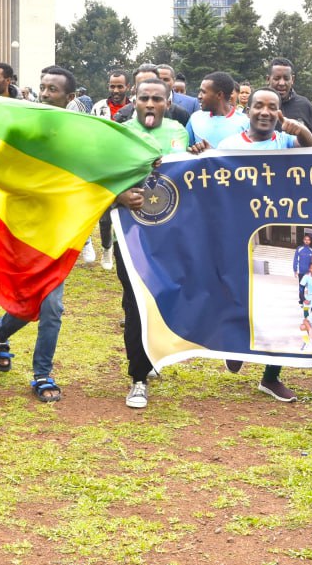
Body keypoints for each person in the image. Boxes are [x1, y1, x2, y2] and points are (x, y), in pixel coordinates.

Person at [0, 65, 81, 403]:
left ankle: (42, 373)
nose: (44, 94)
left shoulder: (82, 133)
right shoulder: (21, 129)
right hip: (23, 229)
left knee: (51, 306)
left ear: (70, 98)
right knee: (27, 300)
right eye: (42, 87)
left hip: (61, 231)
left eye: (53, 90)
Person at [213, 88, 308, 402]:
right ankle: (235, 343)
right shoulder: (228, 145)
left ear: (279, 112)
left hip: (276, 233)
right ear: (247, 109)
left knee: (281, 301)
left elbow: (311, 151)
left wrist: (302, 129)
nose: (265, 112)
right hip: (237, 234)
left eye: (273, 107)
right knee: (237, 294)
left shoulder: (284, 141)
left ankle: (271, 376)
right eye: (259, 106)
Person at [111, 76, 190, 408]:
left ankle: (152, 353)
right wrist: (120, 195)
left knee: (162, 300)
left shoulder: (179, 132)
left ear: (167, 103)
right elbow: (101, 179)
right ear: (134, 100)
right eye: (144, 98)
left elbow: (186, 178)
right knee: (134, 304)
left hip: (168, 236)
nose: (150, 104)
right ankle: (138, 378)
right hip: (130, 236)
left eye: (158, 99)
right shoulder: (119, 133)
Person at [185, 71, 249, 148]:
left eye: (203, 92)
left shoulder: (245, 122)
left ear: (219, 95)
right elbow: (185, 151)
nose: (199, 96)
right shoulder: (195, 118)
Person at [267, 58, 312, 145]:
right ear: (268, 79)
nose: (281, 83)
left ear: (292, 79)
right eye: (277, 78)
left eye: (286, 78)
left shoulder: (305, 105)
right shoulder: (257, 104)